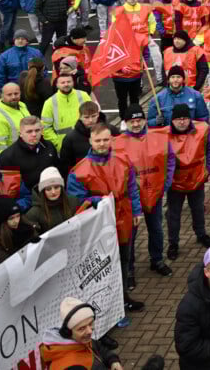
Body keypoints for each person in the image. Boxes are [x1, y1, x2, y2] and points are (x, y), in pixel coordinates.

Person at [66, 123, 146, 315]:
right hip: (99, 224)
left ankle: (123, 298)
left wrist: (136, 212)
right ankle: (106, 307)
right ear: (90, 141)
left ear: (111, 139)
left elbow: (132, 189)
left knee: (124, 260)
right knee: (104, 266)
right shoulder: (80, 170)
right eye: (98, 140)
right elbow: (74, 201)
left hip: (123, 215)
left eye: (105, 139)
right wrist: (93, 200)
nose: (102, 144)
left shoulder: (123, 160)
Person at [112, 105, 174, 288]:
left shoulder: (159, 137)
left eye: (139, 120)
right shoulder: (117, 143)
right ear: (126, 123)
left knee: (156, 229)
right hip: (131, 199)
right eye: (132, 121)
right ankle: (129, 270)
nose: (136, 124)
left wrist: (166, 183)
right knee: (130, 235)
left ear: (145, 120)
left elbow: (169, 159)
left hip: (154, 193)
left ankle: (157, 260)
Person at [161, 104, 210, 258]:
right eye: (178, 119)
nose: (182, 122)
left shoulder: (203, 129)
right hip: (175, 183)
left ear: (189, 118)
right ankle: (173, 243)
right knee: (173, 215)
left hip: (197, 179)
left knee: (198, 210)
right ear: (172, 120)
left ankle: (201, 234)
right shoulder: (163, 134)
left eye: (185, 118)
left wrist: (209, 169)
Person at [40, 297, 124, 370]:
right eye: (81, 328)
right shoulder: (72, 366)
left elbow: (99, 347)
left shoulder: (80, 339)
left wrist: (113, 361)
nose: (90, 331)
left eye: (91, 323)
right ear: (68, 332)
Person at [0, 115, 60, 194]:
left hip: (52, 194)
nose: (34, 134)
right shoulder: (8, 156)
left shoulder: (49, 146)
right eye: (29, 131)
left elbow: (59, 171)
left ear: (41, 131)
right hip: (27, 202)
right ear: (20, 133)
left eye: (37, 130)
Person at [0, 195, 37, 271]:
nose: (16, 221)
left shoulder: (27, 228)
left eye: (18, 216)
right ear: (1, 220)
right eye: (11, 218)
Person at [59, 101, 117, 176]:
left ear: (98, 114)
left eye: (93, 116)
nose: (90, 120)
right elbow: (66, 167)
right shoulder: (70, 139)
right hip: (83, 181)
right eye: (86, 117)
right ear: (80, 117)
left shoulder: (112, 131)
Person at [41, 72, 95, 151]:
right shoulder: (49, 103)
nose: (66, 84)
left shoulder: (84, 96)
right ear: (57, 85)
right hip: (64, 147)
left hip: (86, 142)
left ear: (73, 83)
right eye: (63, 82)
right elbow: (45, 128)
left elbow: (94, 118)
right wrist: (58, 143)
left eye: (69, 82)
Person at [22, 166, 79, 234]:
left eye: (56, 187)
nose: (53, 192)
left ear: (61, 188)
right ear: (43, 191)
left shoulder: (73, 201)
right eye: (48, 189)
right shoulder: (35, 212)